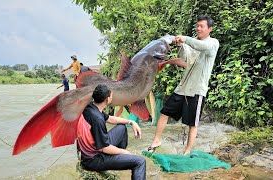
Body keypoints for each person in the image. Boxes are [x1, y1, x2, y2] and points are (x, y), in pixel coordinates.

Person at [147, 15, 220, 155]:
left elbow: (202, 46)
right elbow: (184, 59)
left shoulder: (213, 43)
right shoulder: (192, 42)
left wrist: (186, 39)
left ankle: (187, 152)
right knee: (164, 113)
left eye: (201, 26)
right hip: (182, 88)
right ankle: (156, 140)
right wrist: (180, 45)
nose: (198, 28)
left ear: (210, 29)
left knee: (193, 124)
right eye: (197, 25)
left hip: (197, 90)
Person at [77, 84, 146, 180]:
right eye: (111, 95)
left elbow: (109, 118)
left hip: (93, 150)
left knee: (122, 128)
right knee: (140, 162)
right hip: (94, 159)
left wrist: (131, 122)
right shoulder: (97, 119)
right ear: (107, 99)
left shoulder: (90, 107)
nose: (112, 97)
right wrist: (124, 152)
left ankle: (120, 160)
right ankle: (120, 159)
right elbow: (104, 148)